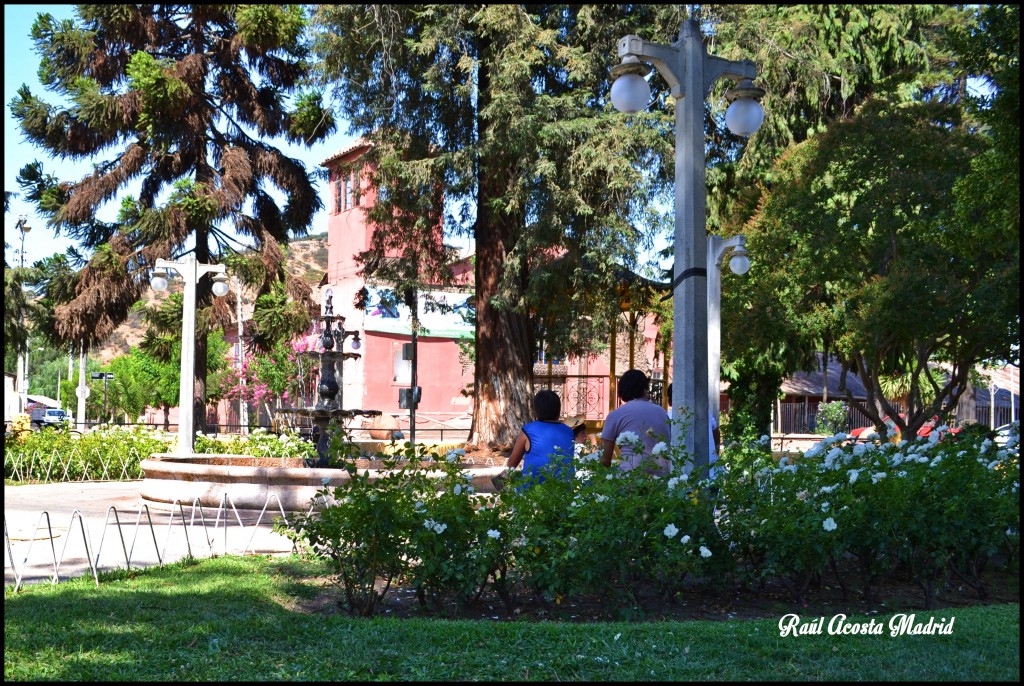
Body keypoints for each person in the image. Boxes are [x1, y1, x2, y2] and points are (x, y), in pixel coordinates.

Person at [600, 370, 672, 476]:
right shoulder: (662, 412)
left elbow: (605, 461)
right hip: (662, 478)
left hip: (630, 478)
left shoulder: (616, 415)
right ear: (645, 388)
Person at [506, 390, 576, 486]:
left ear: (536, 410)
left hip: (532, 491)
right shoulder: (569, 431)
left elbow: (512, 463)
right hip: (563, 490)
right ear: (558, 409)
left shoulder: (528, 430)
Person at [667, 382, 722, 475]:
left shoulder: (669, 417)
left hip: (683, 475)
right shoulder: (705, 412)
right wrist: (715, 454)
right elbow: (716, 431)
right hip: (712, 473)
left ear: (669, 402)